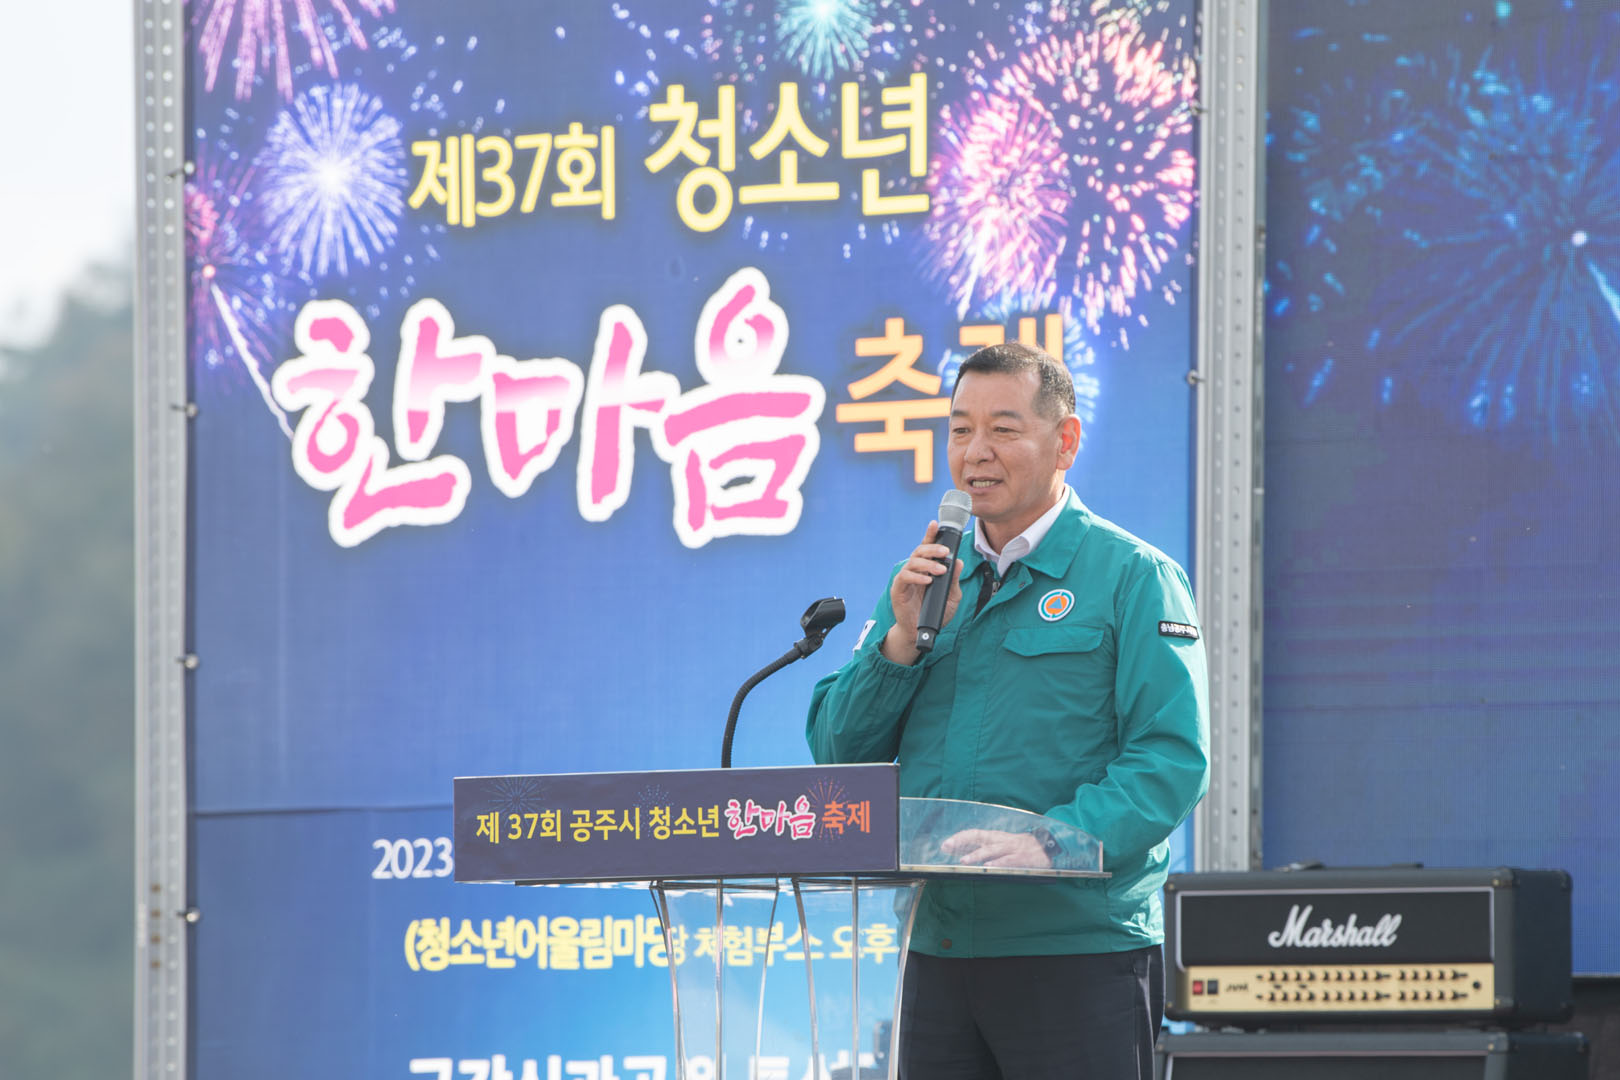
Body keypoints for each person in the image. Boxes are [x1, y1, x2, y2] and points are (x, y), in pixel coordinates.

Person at [805, 342, 1209, 1079]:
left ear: (1066, 442)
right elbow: (838, 755)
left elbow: (1170, 759)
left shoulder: (1132, 576)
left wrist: (1054, 842)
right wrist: (899, 642)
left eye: (1003, 429)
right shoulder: (924, 579)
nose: (975, 453)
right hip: (937, 946)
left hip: (1077, 952)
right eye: (960, 430)